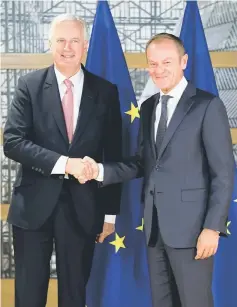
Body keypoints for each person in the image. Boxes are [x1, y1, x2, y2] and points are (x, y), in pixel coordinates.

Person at [80, 33, 235, 307]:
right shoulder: (149, 107)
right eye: (153, 64)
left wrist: (212, 228)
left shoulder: (207, 106)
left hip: (193, 231)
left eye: (166, 62)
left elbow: (222, 173)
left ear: (183, 61)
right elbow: (143, 162)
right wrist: (100, 171)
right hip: (155, 229)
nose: (159, 70)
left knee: (195, 302)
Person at [3, 14, 122, 307]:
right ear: (50, 44)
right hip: (32, 210)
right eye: (60, 40)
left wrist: (109, 215)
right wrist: (65, 164)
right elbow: (13, 142)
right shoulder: (29, 85)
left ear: (84, 46)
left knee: (75, 297)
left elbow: (113, 154)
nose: (67, 47)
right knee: (28, 297)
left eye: (74, 41)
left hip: (83, 211)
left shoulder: (106, 92)